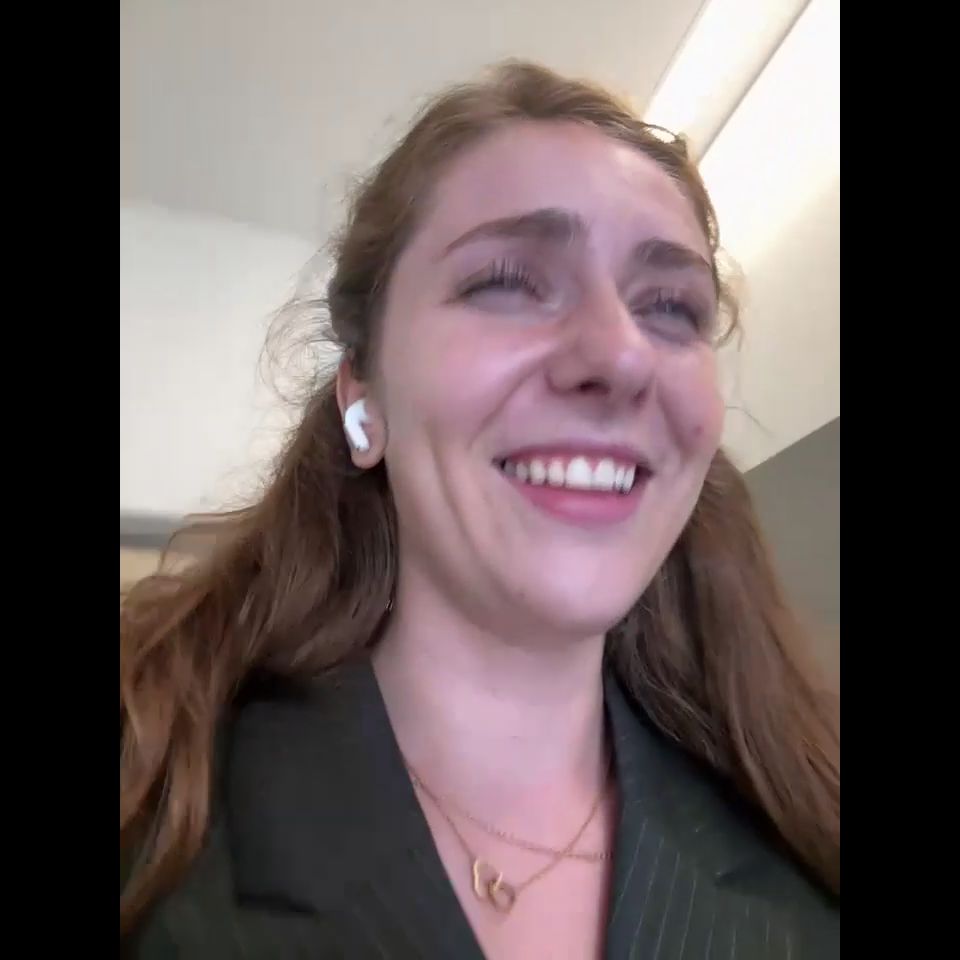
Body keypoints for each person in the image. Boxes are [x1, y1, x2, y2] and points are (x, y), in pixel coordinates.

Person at [120, 60, 839, 958]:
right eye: (505, 281)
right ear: (363, 397)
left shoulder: (804, 851)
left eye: (670, 306)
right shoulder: (151, 821)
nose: (622, 356)